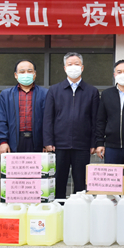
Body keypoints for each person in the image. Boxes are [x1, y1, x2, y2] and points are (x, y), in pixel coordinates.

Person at [43, 52, 100, 199]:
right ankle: (58, 207)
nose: (73, 67)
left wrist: (94, 143)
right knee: (59, 181)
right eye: (70, 64)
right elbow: (48, 118)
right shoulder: (54, 90)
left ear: (82, 67)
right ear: (64, 68)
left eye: (76, 64)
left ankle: (80, 209)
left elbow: (95, 120)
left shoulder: (92, 91)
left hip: (82, 144)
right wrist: (48, 141)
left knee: (81, 183)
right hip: (59, 144)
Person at [0, 59, 47, 154]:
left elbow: (48, 120)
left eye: (29, 71)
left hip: (38, 142)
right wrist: (3, 141)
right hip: (13, 141)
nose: (26, 74)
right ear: (16, 75)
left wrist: (47, 142)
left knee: (37, 164)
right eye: (22, 72)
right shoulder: (6, 95)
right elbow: (1, 119)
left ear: (35, 74)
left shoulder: (45, 94)